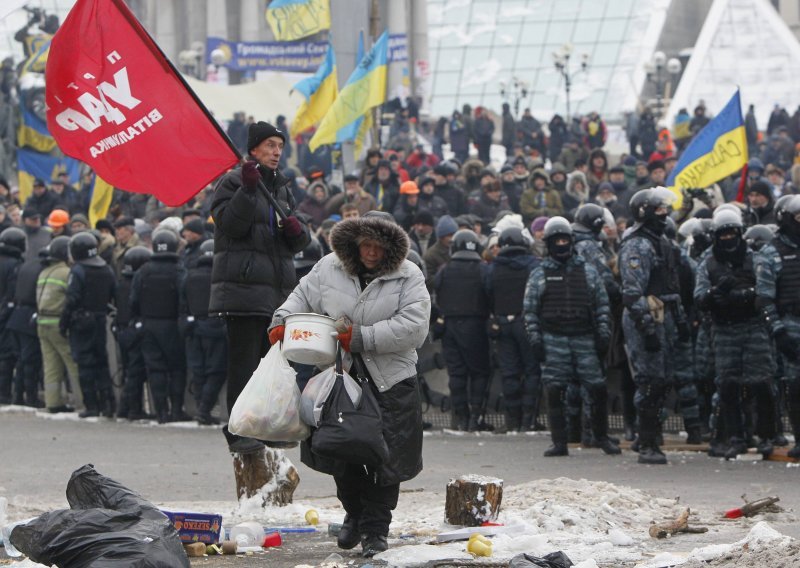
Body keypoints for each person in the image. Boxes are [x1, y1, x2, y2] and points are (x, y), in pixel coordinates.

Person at [268, 215, 430, 558]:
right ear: (354, 244)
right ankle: (354, 512)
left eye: (378, 246)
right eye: (365, 245)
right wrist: (283, 320)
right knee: (342, 449)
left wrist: (360, 337)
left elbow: (414, 327)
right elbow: (301, 297)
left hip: (391, 379)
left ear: (391, 248)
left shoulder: (409, 275)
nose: (371, 253)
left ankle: (375, 528)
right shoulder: (329, 267)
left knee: (386, 458)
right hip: (340, 374)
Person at [209, 120, 311, 453]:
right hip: (242, 292)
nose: (276, 152)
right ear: (254, 149)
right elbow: (230, 226)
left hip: (275, 293)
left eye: (279, 147)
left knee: (271, 366)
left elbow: (298, 243)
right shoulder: (233, 182)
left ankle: (265, 427)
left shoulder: (281, 187)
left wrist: (297, 232)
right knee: (244, 364)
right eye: (269, 146)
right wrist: (247, 190)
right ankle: (238, 429)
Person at [523, 217, 618, 457]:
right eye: (557, 240)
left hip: (584, 337)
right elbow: (530, 310)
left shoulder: (587, 271)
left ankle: (602, 437)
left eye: (565, 239)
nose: (562, 244)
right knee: (554, 390)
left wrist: (603, 334)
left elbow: (601, 306)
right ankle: (559, 442)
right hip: (553, 339)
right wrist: (535, 338)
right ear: (550, 243)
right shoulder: (539, 274)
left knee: (596, 388)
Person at [695, 209, 775, 459]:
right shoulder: (708, 261)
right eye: (723, 234)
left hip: (752, 326)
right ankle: (736, 437)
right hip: (724, 328)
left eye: (732, 233)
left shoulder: (755, 258)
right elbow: (700, 296)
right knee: (728, 385)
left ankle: (766, 436)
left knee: (762, 382)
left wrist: (747, 295)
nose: (728, 238)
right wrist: (717, 293)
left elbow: (765, 290)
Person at [619, 188, 685, 464]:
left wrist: (680, 320)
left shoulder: (662, 243)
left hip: (664, 317)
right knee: (649, 382)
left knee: (664, 381)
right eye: (659, 210)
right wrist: (646, 328)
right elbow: (632, 294)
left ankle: (651, 437)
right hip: (646, 318)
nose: (665, 214)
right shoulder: (637, 245)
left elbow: (672, 285)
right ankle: (646, 443)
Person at [755, 194, 800, 459]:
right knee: (795, 385)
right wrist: (778, 331)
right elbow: (763, 298)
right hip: (790, 322)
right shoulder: (771, 253)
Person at [434, 230, 492, 431]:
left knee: (457, 374)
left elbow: (436, 297)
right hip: (477, 326)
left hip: (449, 326)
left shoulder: (445, 269)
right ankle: (475, 417)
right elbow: (490, 295)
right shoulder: (483, 269)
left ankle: (461, 417)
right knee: (479, 372)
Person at [485, 227, 541, 432]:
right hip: (526, 322)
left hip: (502, 323)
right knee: (532, 371)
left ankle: (512, 420)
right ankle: (529, 419)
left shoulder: (493, 267)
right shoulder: (533, 265)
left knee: (509, 373)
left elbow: (487, 291)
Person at [130, 230, 187, 424]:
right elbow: (184, 298)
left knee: (155, 369)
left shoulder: (143, 271)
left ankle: (161, 411)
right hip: (172, 325)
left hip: (149, 326)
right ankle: (177, 410)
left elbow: (133, 300)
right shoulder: (179, 270)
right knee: (177, 368)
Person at [61, 232, 116, 418]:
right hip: (100, 320)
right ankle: (109, 404)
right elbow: (112, 294)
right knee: (101, 363)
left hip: (81, 322)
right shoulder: (106, 268)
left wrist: (63, 323)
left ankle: (91, 405)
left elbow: (71, 300)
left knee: (85, 365)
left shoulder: (78, 271)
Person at [181, 239, 227, 425]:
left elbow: (182, 304)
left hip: (194, 329)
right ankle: (204, 409)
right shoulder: (222, 275)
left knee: (198, 371)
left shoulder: (189, 276)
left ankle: (201, 406)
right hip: (216, 328)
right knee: (215, 371)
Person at [36, 236, 82, 413]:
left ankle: (53, 402)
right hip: (58, 323)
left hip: (42, 323)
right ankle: (83, 401)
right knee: (73, 363)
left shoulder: (44, 272)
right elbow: (72, 298)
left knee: (51, 366)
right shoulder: (66, 273)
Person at [114, 246, 151, 421]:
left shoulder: (121, 282)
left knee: (128, 371)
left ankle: (124, 407)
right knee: (136, 373)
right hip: (134, 331)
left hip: (122, 331)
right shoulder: (138, 283)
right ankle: (134, 409)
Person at [0, 228, 25, 404]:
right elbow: (11, 293)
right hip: (6, 315)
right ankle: (4, 393)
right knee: (7, 356)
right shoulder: (15, 265)